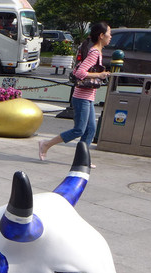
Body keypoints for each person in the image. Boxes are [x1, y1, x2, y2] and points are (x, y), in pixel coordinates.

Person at [38, 22, 111, 167]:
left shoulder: (98, 52)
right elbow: (79, 72)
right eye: (109, 34)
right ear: (101, 36)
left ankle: (82, 159)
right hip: (81, 97)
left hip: (88, 97)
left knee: (90, 130)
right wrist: (100, 74)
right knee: (79, 130)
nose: (111, 37)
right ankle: (46, 144)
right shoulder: (94, 52)